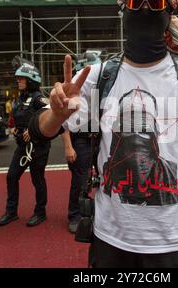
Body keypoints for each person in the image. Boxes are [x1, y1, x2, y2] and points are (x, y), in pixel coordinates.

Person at [29, 0, 178, 268]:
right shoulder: (96, 77)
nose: (144, 9)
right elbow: (40, 131)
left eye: (154, 2)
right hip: (111, 239)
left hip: (175, 240)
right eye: (135, 1)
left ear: (168, 14)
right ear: (123, 12)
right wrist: (56, 114)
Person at [0, 57, 50, 227]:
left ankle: (40, 212)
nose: (18, 80)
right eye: (18, 78)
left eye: (21, 78)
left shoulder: (39, 99)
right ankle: (11, 212)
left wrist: (32, 131)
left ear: (31, 80)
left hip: (38, 147)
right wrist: (12, 128)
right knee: (11, 177)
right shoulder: (19, 99)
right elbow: (14, 118)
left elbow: (49, 119)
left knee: (37, 180)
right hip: (22, 146)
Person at [61, 51, 101, 234]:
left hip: (99, 139)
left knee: (103, 178)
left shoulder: (99, 91)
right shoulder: (73, 91)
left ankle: (97, 212)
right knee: (80, 180)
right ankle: (75, 215)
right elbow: (64, 123)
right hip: (81, 141)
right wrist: (68, 146)